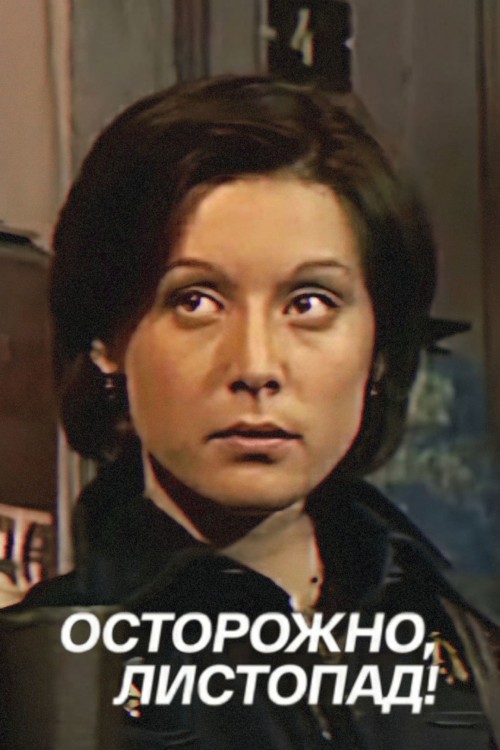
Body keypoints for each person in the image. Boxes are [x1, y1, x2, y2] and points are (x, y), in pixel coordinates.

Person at [2, 75, 499, 749]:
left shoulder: (468, 646)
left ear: (380, 347)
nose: (256, 366)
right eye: (196, 302)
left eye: (309, 303)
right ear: (107, 342)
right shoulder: (39, 682)